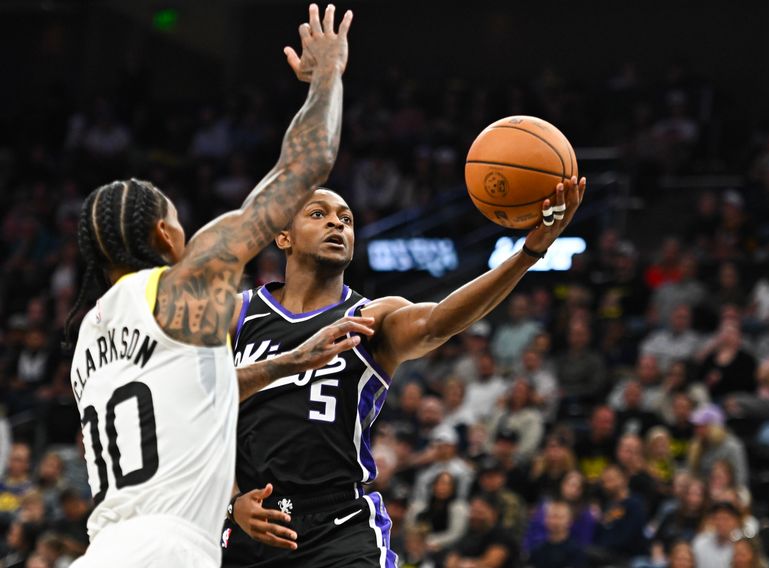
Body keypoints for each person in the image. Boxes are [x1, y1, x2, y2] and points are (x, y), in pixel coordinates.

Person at [64, 6, 360, 566]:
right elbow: (307, 166)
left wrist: (284, 364)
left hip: (104, 547)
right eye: (180, 221)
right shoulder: (181, 289)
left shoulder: (88, 335)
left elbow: (187, 399)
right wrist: (328, 76)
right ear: (163, 233)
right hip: (171, 549)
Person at [223, 170, 586, 565]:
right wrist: (231, 500)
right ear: (283, 237)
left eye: (346, 219)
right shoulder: (239, 313)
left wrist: (527, 254)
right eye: (318, 214)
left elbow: (440, 321)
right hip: (251, 523)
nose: (336, 223)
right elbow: (192, 410)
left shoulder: (371, 317)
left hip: (338, 526)